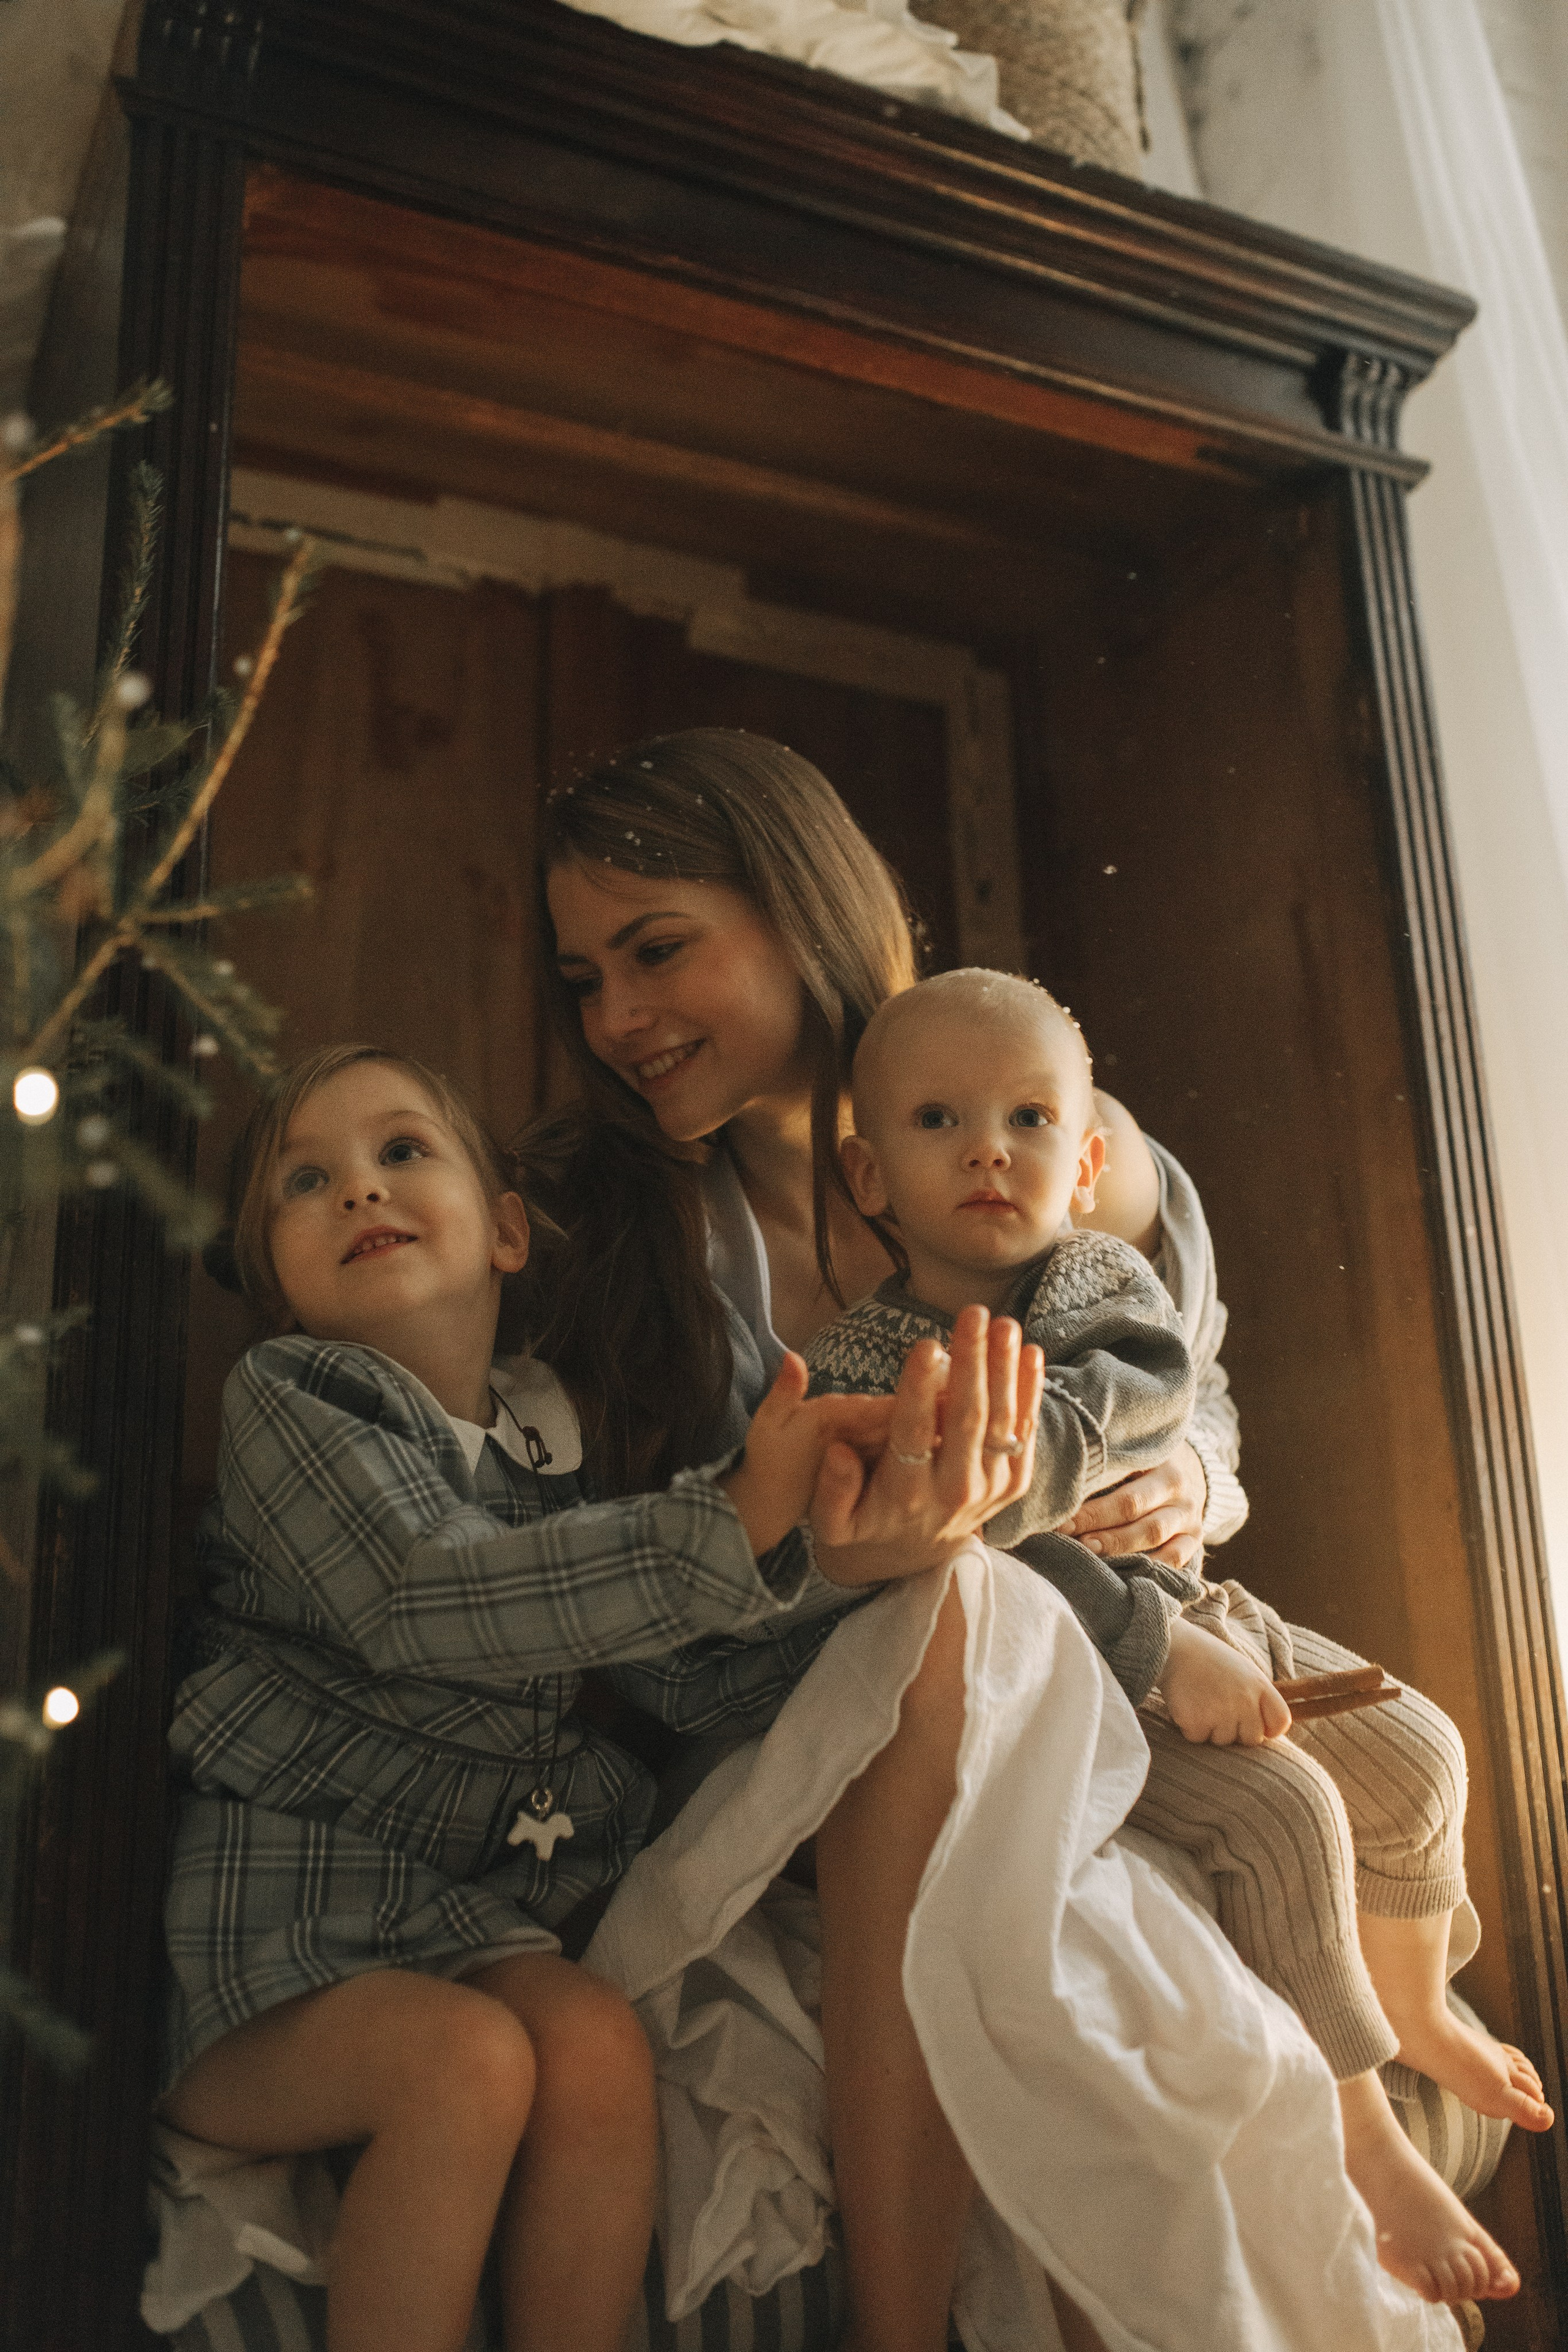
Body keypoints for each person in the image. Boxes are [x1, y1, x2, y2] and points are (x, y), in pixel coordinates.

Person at [528, 728, 1492, 2351]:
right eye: (583, 978)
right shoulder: (627, 1240)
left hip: (1109, 1679)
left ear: (799, 903)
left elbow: (1190, 1395)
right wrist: (969, 1582)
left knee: (1325, 1799)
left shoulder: (1049, 1134)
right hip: (813, 1722)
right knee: (946, 1630)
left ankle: (1370, 2092)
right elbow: (704, 1616)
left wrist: (1189, 1478)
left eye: (657, 948)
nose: (618, 1018)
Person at [156, 1041, 1042, 2352]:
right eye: (304, 1180)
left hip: (461, 1912)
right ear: (276, 1283)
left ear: (508, 1233)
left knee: (589, 2041)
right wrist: (729, 1520)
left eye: (402, 1151)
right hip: (279, 1927)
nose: (358, 1190)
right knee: (468, 2063)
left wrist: (841, 1565)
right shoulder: (295, 1401)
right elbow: (431, 1597)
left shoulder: (539, 1436)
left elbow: (666, 1663)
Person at [809, 963, 1550, 2306]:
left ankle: (1415, 2005)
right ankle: (1365, 2140)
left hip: (1200, 1605)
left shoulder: (1094, 1278)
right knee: (1281, 1818)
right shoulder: (873, 1366)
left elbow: (1154, 1395)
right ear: (868, 1180)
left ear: (1085, 1158)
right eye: (938, 1123)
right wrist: (1150, 1655)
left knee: (1418, 1756)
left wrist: (1111, 1513)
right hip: (1065, 1681)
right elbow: (978, 1554)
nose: (988, 1148)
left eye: (1029, 1120)